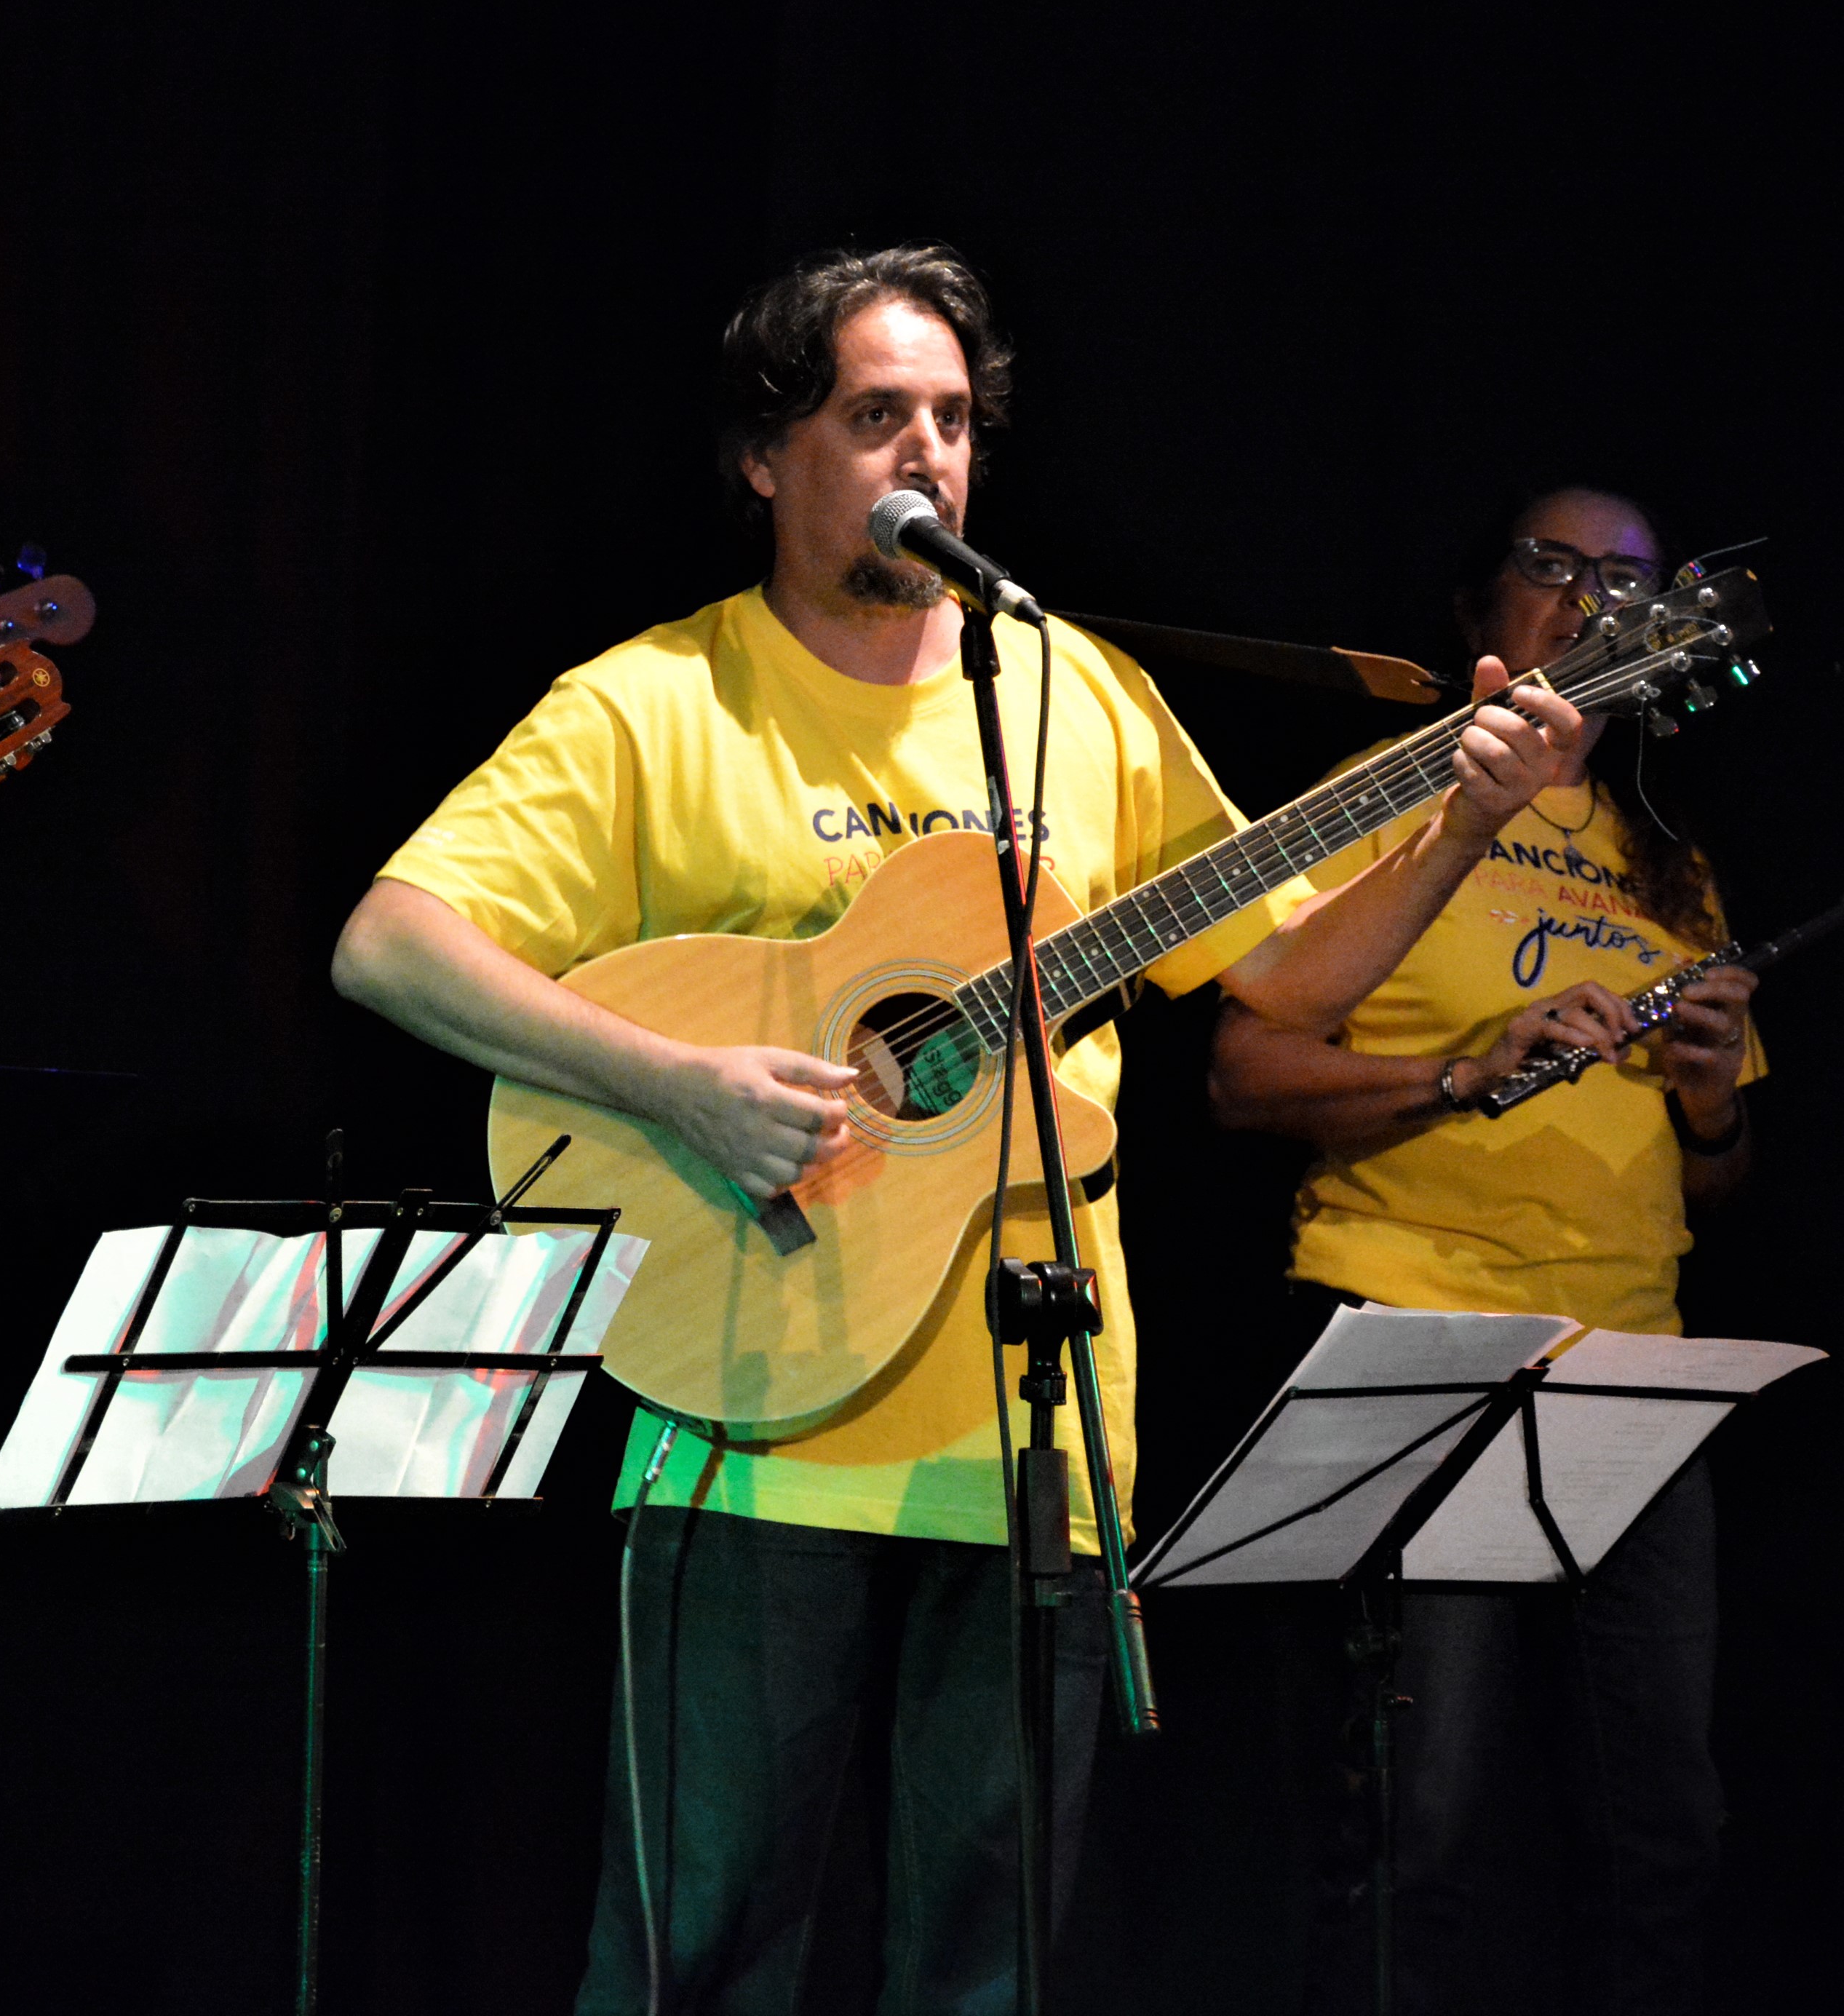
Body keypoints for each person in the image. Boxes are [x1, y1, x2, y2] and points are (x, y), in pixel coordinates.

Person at [328, 245, 1577, 2013]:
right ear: (766, 459)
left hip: (1031, 1435)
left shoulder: (1074, 690)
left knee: (990, 1969)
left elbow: (1285, 984)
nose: (926, 451)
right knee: (704, 1951)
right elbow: (390, 942)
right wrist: (675, 1083)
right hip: (746, 1417)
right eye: (872, 416)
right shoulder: (653, 702)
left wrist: (1455, 822)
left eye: (951, 419)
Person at [1207, 486, 1752, 2016]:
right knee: (1415, 1824)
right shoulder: (1384, 792)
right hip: (1416, 1332)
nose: (1591, 603)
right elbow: (1245, 1074)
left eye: (1631, 584)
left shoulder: (1674, 866)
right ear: (1477, 611)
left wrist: (1710, 1102)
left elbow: (1714, 1187)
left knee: (1665, 1830)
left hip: (1633, 1371)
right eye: (1555, 567)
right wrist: (1454, 1071)